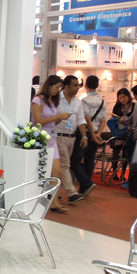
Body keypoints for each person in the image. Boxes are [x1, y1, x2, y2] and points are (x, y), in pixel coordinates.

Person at [32, 75, 70, 213]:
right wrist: (58, 117)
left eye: (60, 88)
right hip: (41, 139)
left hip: (52, 139)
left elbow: (53, 121)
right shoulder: (38, 100)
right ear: (49, 86)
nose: (58, 90)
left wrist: (60, 118)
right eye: (56, 87)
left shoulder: (52, 101)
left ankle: (53, 201)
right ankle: (40, 199)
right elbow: (38, 121)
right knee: (41, 172)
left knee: (57, 171)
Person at [53, 76, 89, 204]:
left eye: (78, 85)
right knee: (65, 164)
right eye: (75, 85)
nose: (78, 88)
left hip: (71, 137)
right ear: (67, 87)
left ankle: (52, 192)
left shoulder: (78, 102)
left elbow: (81, 120)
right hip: (58, 136)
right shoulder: (56, 99)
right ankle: (71, 192)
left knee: (58, 166)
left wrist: (84, 136)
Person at [71, 75, 104, 200]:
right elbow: (104, 120)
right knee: (89, 160)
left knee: (75, 159)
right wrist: (98, 134)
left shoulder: (84, 100)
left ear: (86, 85)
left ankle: (86, 183)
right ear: (97, 85)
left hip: (85, 133)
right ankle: (85, 186)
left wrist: (91, 134)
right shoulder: (102, 101)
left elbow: (86, 118)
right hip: (95, 133)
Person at [111, 88, 134, 182]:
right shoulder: (117, 106)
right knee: (115, 152)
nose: (122, 100)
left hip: (129, 133)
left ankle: (123, 174)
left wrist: (125, 120)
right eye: (120, 98)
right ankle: (114, 173)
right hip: (118, 132)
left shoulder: (134, 106)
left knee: (126, 154)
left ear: (128, 96)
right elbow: (113, 118)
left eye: (124, 97)